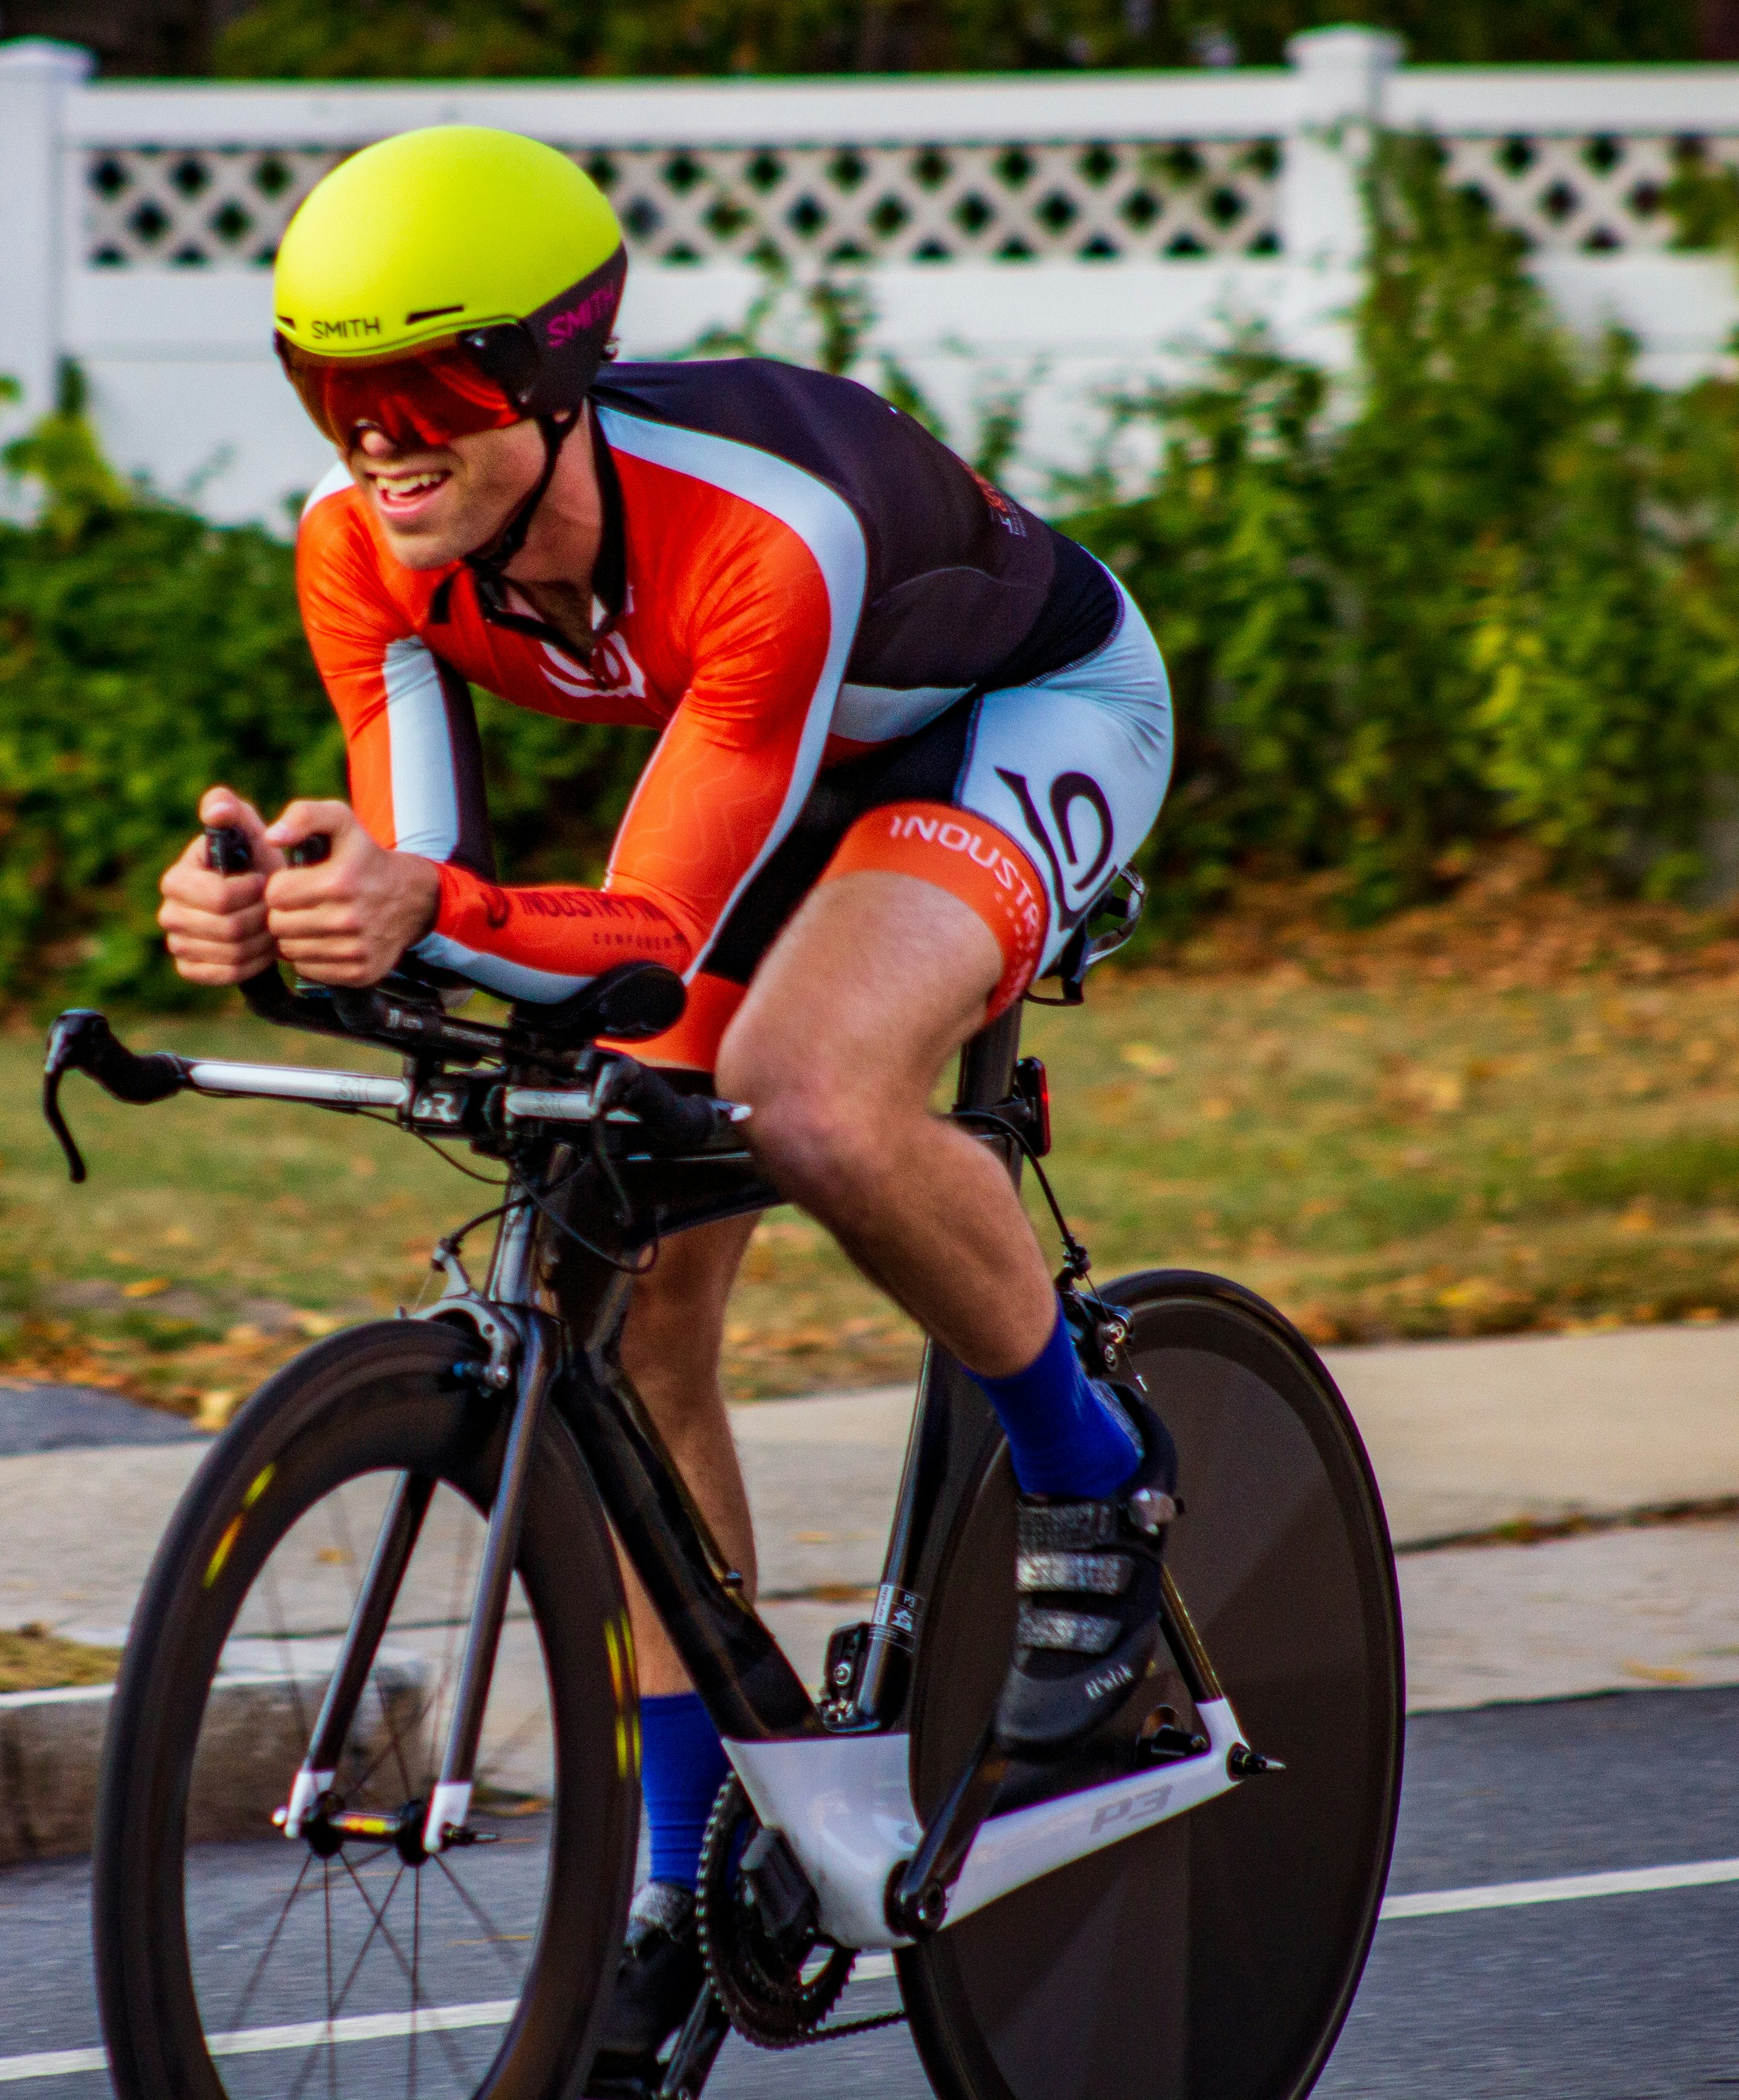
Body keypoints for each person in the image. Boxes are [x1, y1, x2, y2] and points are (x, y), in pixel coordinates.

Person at [154, 125, 1181, 2093]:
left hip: (1025, 715)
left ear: (551, 373)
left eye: (427, 387)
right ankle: (689, 1857)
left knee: (801, 1091)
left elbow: (641, 927)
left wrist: (422, 908)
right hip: (777, 766)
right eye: (329, 387)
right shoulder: (359, 554)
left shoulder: (752, 530)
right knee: (619, 1284)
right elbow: (437, 882)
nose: (378, 438)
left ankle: (1090, 1468)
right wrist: (289, 913)